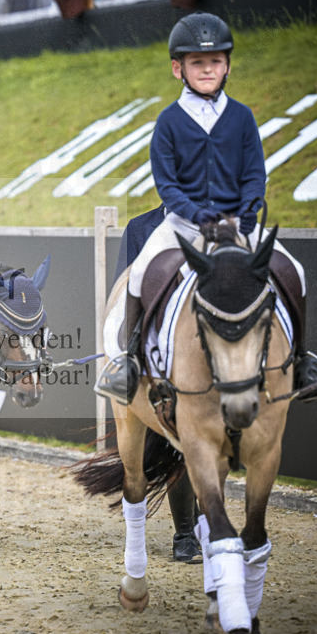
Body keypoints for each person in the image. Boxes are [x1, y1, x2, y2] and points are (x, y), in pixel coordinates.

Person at [94, 12, 317, 406]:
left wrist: (248, 212)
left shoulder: (242, 117)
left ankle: (302, 359)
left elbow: (254, 174)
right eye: (197, 62)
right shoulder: (169, 122)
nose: (208, 69)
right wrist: (195, 215)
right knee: (138, 274)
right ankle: (130, 363)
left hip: (237, 223)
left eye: (215, 61)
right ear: (179, 69)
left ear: (227, 66)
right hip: (183, 223)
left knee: (296, 271)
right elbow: (167, 185)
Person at [115, 206, 202, 563]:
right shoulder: (141, 228)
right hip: (157, 339)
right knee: (176, 440)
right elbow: (123, 291)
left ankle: (294, 358)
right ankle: (186, 534)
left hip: (202, 336)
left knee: (283, 270)